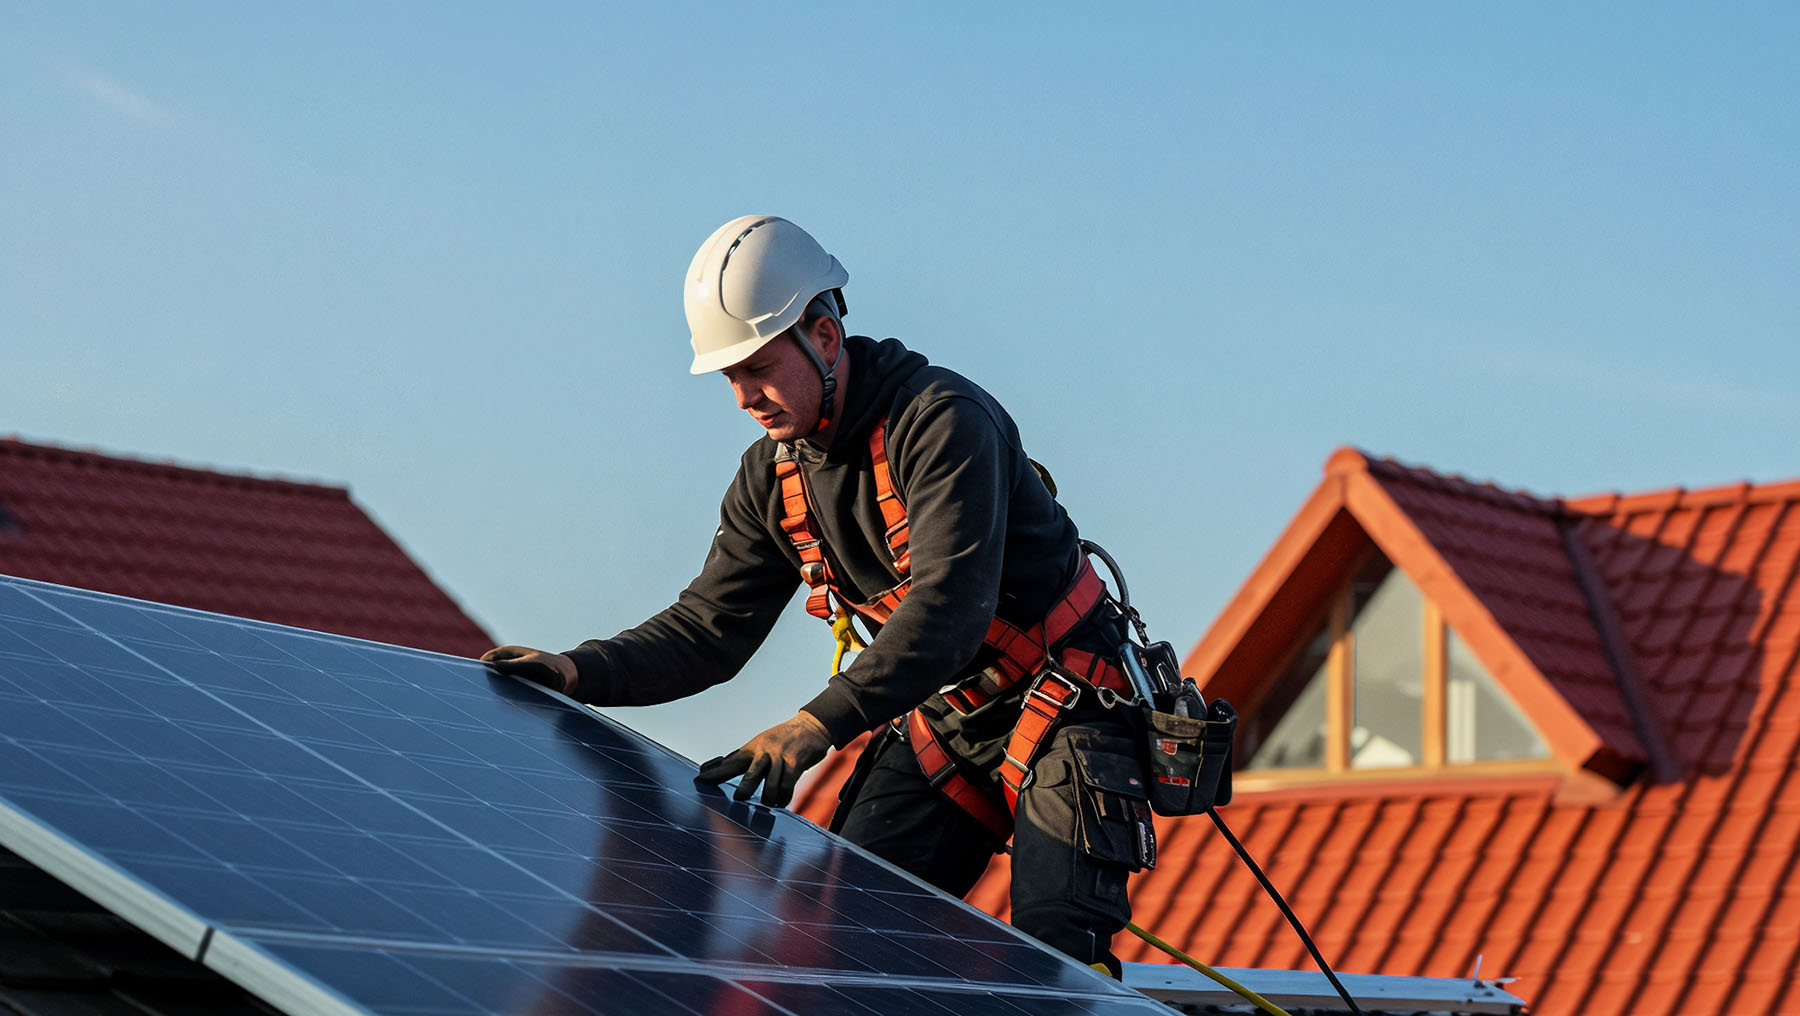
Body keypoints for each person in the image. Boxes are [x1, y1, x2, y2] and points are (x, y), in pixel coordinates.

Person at [484, 214, 1155, 975]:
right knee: (842, 946)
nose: (745, 397)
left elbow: (950, 611)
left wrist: (814, 726)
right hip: (947, 722)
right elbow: (708, 629)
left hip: (1067, 705)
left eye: (759, 367)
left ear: (825, 336)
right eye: (730, 377)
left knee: (1055, 965)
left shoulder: (941, 422)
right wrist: (579, 671)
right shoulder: (772, 479)